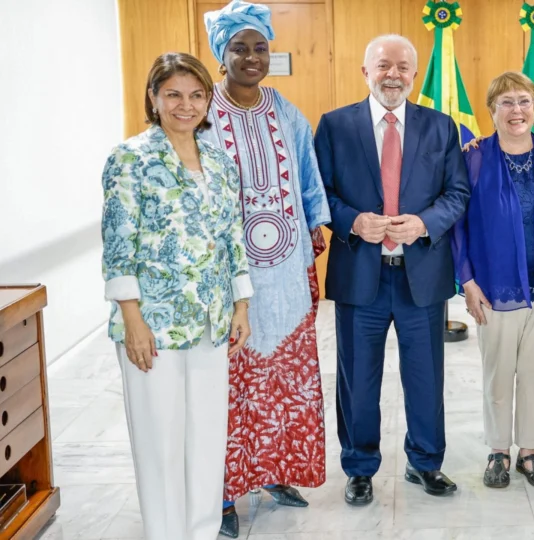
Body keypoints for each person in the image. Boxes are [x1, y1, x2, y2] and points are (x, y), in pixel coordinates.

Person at [100, 52, 252, 540]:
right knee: (160, 438)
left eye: (195, 95)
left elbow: (234, 237)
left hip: (211, 319)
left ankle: (202, 530)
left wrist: (241, 305)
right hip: (154, 324)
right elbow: (119, 243)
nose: (185, 106)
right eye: (173, 95)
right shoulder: (131, 159)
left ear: (208, 100)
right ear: (154, 98)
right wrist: (132, 320)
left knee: (206, 435)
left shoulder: (221, 161)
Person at [314, 34, 470, 506]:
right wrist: (352, 222)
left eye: (403, 67)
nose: (393, 74)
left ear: (414, 75)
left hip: (420, 277)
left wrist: (424, 223)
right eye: (384, 65)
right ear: (366, 72)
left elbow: (457, 194)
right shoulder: (335, 126)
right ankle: (359, 467)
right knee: (358, 380)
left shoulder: (442, 128)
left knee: (425, 377)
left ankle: (426, 462)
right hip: (361, 276)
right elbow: (319, 192)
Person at [200, 1, 332, 536]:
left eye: (260, 48)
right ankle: (225, 493)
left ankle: (278, 470)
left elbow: (307, 175)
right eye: (240, 48)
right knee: (231, 385)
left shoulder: (286, 110)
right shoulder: (202, 111)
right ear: (222, 54)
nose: (252, 57)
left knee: (286, 377)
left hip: (286, 272)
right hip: (228, 276)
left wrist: (316, 222)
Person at [451, 72, 534, 489]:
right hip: (495, 290)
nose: (516, 111)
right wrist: (467, 282)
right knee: (498, 374)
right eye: (506, 102)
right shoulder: (473, 156)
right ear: (491, 110)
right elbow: (457, 225)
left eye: (524, 101)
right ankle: (498, 452)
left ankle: (530, 452)